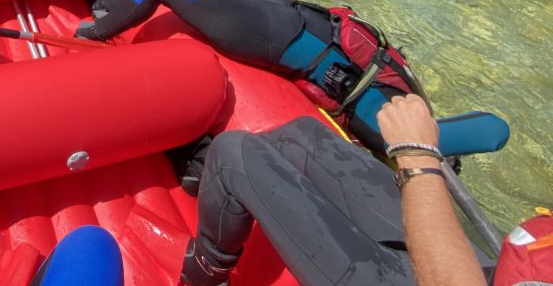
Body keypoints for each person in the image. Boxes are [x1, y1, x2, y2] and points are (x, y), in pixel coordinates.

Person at [180, 94, 548, 286]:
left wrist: (417, 157)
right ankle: (213, 180)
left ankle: (205, 272)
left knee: (233, 153)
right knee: (304, 136)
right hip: (484, 272)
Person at [76, 0, 422, 152]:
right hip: (283, 13)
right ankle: (109, 5)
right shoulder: (395, 83)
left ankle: (92, 34)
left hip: (271, 36)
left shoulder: (389, 114)